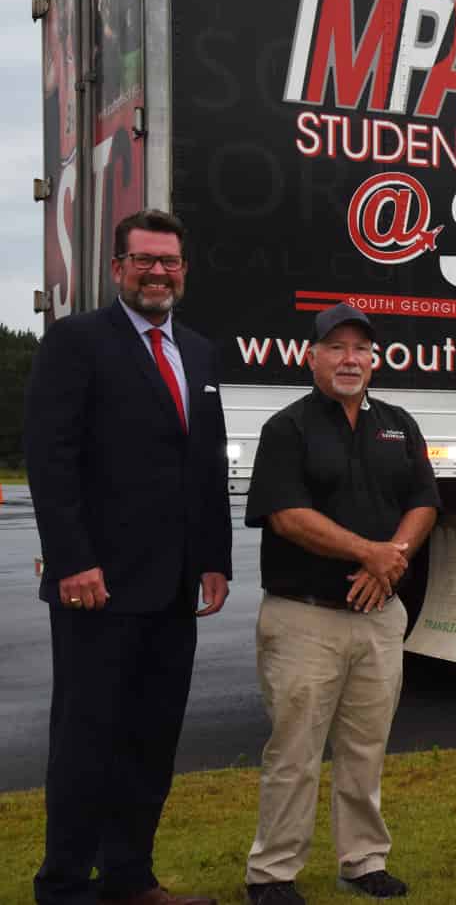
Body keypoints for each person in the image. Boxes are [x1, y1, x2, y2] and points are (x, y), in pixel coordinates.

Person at [25, 209, 233, 905]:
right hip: (99, 586)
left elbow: (204, 463)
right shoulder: (77, 342)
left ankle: (129, 879)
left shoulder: (198, 352)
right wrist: (72, 560)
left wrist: (214, 557)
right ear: (118, 268)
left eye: (169, 261)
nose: (157, 272)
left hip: (173, 588)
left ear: (183, 270)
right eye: (143, 260)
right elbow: (50, 461)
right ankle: (62, 886)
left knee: (151, 741)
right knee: (86, 743)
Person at [242, 303, 439, 904]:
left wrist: (393, 556)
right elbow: (287, 516)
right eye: (336, 348)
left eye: (360, 349)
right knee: (294, 752)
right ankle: (273, 873)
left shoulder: (398, 423)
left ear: (374, 360)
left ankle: (362, 861)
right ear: (312, 357)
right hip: (304, 618)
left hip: (379, 616)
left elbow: (425, 500)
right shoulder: (288, 428)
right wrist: (371, 553)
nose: (349, 359)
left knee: (365, 748)